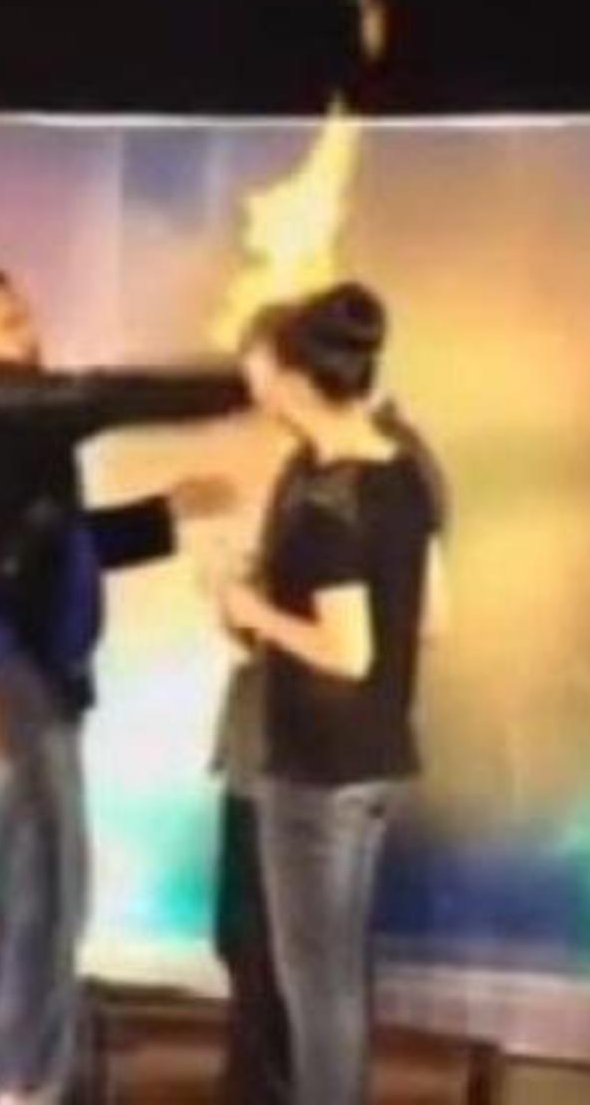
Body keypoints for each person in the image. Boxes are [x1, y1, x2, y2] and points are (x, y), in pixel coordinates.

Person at [0, 269, 247, 1104]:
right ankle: (20, 1080)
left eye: (27, 317)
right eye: (8, 322)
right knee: (48, 880)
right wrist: (246, 383)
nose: (30, 333)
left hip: (33, 667)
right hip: (10, 665)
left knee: (27, 878)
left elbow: (59, 543)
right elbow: (102, 395)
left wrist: (164, 516)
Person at [217, 282, 448, 1105]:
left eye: (257, 365)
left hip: (317, 768)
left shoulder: (324, 501)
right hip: (377, 756)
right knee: (337, 983)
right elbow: (434, 619)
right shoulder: (405, 475)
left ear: (291, 376)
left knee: (316, 991)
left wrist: (254, 613)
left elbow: (348, 652)